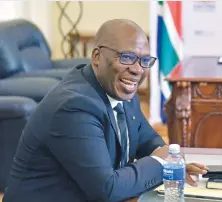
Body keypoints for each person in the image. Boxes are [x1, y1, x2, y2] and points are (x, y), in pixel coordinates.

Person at [3, 19, 208, 202]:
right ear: (97, 57)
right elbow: (107, 189)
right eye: (127, 57)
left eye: (145, 61)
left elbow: (146, 139)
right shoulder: (74, 107)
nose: (137, 69)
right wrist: (160, 164)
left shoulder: (120, 89)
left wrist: (173, 163)